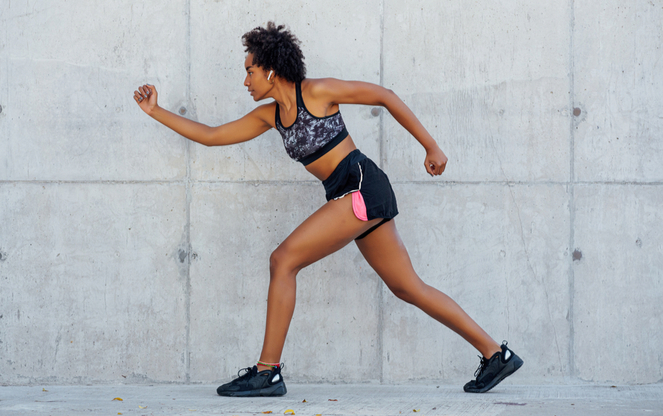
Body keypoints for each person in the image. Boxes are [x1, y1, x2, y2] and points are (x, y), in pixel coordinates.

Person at [133, 22, 523, 396]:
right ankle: (496, 354)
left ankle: (267, 372)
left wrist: (431, 146)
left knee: (283, 260)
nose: (246, 81)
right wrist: (155, 111)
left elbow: (384, 95)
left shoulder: (317, 92)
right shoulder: (271, 117)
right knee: (408, 287)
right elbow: (212, 137)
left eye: (250, 71)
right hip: (348, 194)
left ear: (270, 70)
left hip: (360, 186)